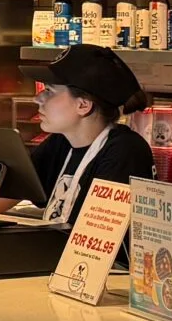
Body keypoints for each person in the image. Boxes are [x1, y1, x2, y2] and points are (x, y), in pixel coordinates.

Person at [29, 44, 156, 228]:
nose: (37, 98)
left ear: (83, 105)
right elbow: (0, 196)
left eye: (49, 91)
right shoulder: (62, 142)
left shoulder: (125, 151)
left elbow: (97, 239)